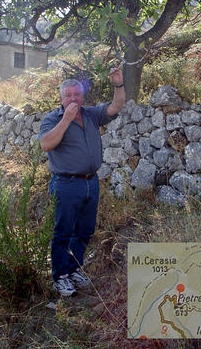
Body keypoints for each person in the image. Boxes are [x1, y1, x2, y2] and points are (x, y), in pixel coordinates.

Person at [39, 68, 125, 297]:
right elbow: (46, 144)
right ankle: (60, 277)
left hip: (90, 182)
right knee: (63, 231)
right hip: (66, 184)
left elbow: (116, 107)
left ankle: (74, 268)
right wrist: (66, 119)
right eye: (68, 95)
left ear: (82, 96)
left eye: (76, 94)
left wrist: (118, 84)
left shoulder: (91, 114)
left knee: (85, 230)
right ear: (61, 98)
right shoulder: (51, 119)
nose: (73, 99)